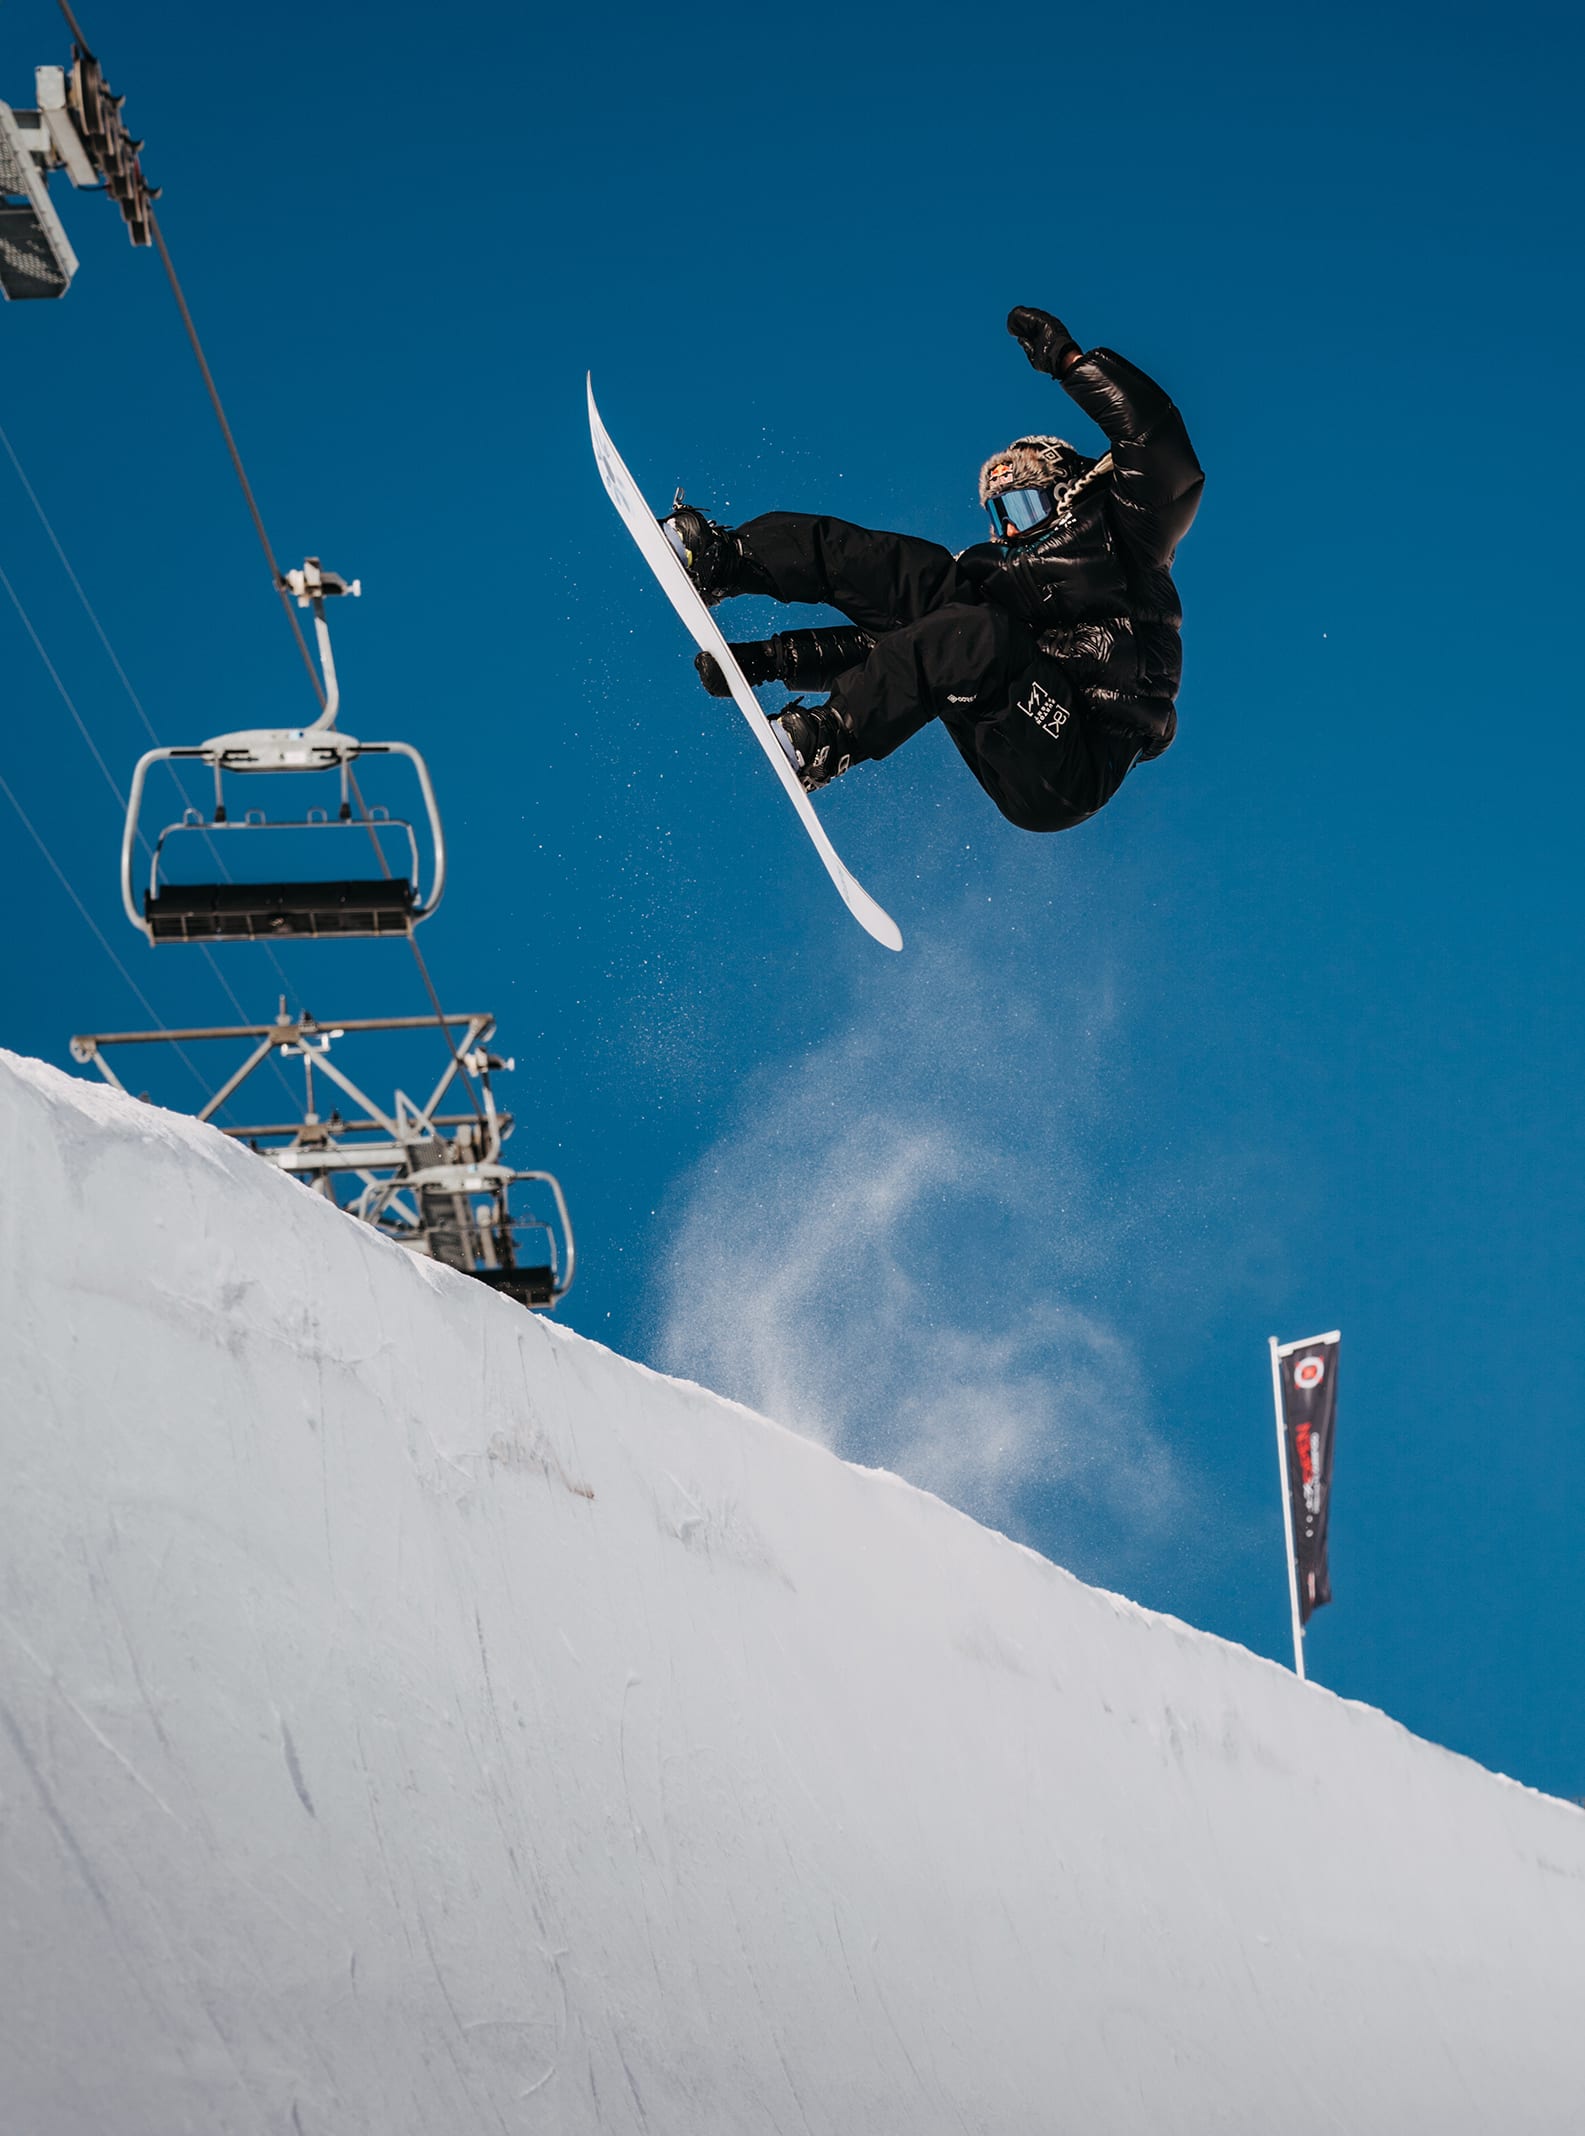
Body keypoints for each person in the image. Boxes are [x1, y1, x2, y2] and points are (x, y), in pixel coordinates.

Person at [665, 306, 1203, 834]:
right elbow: (907, 648)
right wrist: (767, 661)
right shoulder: (990, 578)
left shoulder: (1124, 529)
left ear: (1062, 492)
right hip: (1002, 717)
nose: (1007, 530)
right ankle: (729, 559)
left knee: (979, 632)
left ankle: (833, 739)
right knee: (921, 576)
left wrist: (1067, 362)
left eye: (1021, 507)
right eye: (998, 514)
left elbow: (1159, 447)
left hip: (1072, 759)